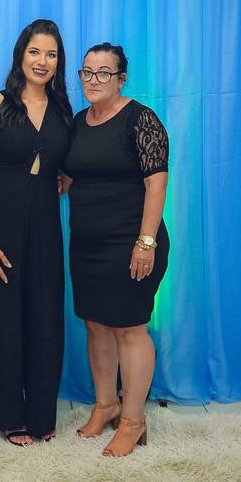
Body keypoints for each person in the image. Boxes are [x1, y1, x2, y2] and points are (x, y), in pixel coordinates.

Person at [62, 42, 170, 457]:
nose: (94, 80)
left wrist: (146, 242)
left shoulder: (141, 119)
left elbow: (156, 183)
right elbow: (70, 176)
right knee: (95, 325)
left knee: (129, 329)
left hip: (131, 243)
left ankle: (133, 420)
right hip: (87, 244)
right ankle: (106, 405)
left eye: (104, 73)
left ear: (121, 79)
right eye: (87, 72)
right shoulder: (79, 121)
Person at [0, 19, 73, 446]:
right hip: (2, 226)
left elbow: (70, 166)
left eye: (51, 54)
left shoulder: (64, 110)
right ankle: (8, 414)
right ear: (20, 55)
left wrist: (62, 179)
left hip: (47, 225)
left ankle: (40, 414)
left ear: (59, 61)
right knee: (4, 320)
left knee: (45, 319)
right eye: (35, 52)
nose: (42, 61)